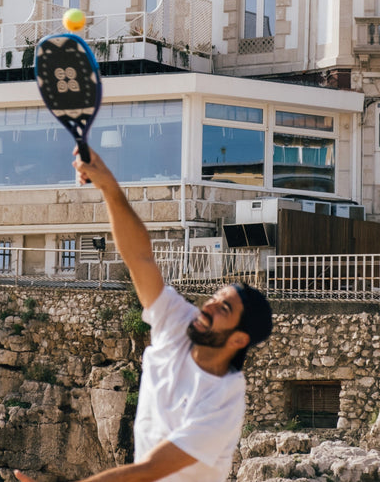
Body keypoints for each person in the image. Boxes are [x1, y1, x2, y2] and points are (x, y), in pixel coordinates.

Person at [14, 147, 273, 482]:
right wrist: (109, 186)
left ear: (239, 339)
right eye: (214, 297)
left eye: (223, 308)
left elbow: (150, 470)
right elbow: (140, 258)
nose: (207, 306)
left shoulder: (224, 397)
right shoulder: (179, 322)